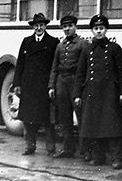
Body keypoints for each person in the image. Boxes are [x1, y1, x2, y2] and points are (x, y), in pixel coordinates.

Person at [73, 14, 122, 169]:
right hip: (91, 93)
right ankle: (99, 156)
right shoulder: (87, 49)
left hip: (110, 92)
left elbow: (121, 72)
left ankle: (117, 158)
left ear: (106, 30)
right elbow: (80, 73)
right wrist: (77, 94)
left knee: (113, 127)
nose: (99, 31)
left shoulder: (115, 49)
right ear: (92, 30)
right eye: (96, 29)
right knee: (94, 126)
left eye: (101, 28)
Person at [13, 13, 60, 156]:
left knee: (48, 120)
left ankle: (50, 148)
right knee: (28, 118)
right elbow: (20, 64)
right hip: (29, 85)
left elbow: (55, 65)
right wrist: (17, 84)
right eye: (36, 25)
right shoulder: (26, 42)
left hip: (44, 86)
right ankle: (30, 146)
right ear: (33, 27)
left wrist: (52, 85)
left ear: (46, 26)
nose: (39, 28)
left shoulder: (53, 42)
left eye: (41, 25)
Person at [48, 15, 88, 159]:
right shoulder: (60, 45)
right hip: (61, 83)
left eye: (70, 26)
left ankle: (85, 151)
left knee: (81, 117)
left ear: (75, 27)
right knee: (64, 118)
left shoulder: (82, 44)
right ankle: (68, 149)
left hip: (75, 83)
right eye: (64, 26)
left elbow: (85, 68)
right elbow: (54, 67)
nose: (67, 29)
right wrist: (52, 86)